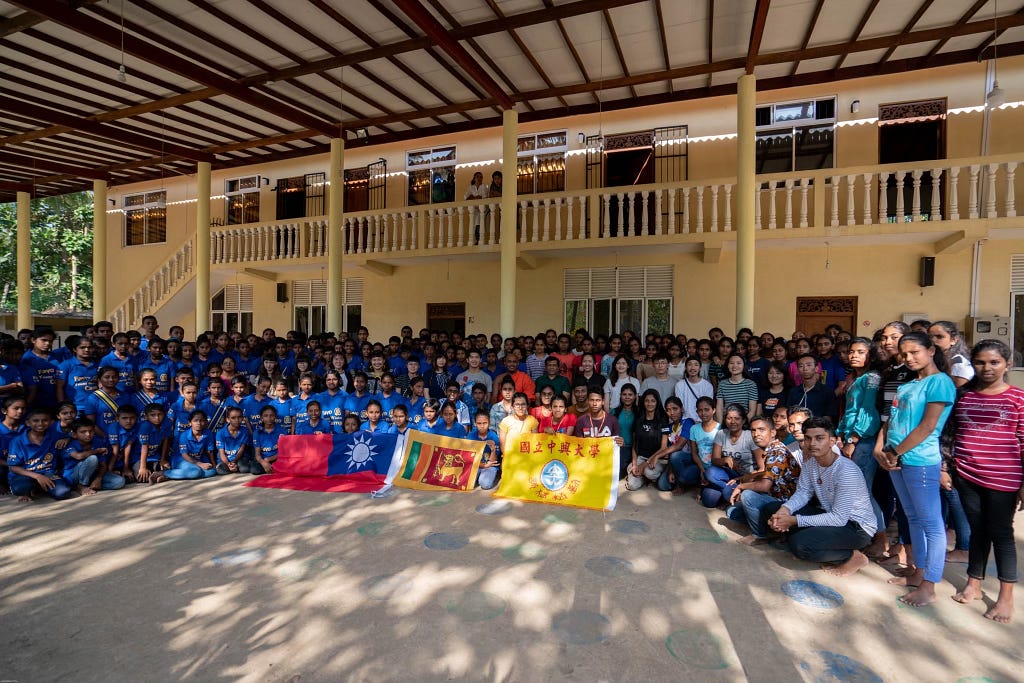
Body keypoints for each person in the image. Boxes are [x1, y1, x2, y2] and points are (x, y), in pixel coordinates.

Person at [876, 331, 956, 607]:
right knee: (912, 517)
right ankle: (917, 571)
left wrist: (895, 452)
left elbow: (927, 426)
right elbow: (895, 422)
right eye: (904, 354)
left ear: (931, 350)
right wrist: (886, 451)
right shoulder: (907, 385)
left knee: (932, 525)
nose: (909, 358)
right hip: (897, 460)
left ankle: (929, 585)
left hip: (920, 461)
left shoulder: (940, 383)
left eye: (915, 352)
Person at [950, 339, 1024, 623]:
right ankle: (974, 584)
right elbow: (952, 434)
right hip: (967, 474)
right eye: (980, 362)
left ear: (1008, 364)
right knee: (977, 530)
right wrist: (950, 468)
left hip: (1003, 479)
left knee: (1001, 534)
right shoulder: (964, 396)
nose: (987, 368)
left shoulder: (1017, 398)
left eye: (994, 362)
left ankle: (1006, 598)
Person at [767, 417, 878, 577]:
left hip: (856, 527)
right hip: (830, 515)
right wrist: (785, 510)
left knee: (800, 545)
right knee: (773, 508)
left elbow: (839, 519)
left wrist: (794, 520)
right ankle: (796, 532)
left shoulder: (846, 471)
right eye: (808, 438)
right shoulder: (812, 462)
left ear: (832, 441)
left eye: (819, 438)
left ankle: (854, 556)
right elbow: (803, 492)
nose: (812, 444)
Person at [836, 336, 887, 557]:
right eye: (851, 352)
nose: (854, 355)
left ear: (870, 355)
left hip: (863, 442)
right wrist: (840, 434)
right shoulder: (855, 378)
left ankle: (881, 537)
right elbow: (849, 411)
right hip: (849, 438)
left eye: (860, 352)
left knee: (863, 491)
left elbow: (868, 412)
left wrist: (852, 439)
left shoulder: (872, 378)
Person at [728, 415, 801, 545]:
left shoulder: (777, 451)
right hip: (777, 497)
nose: (756, 434)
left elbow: (764, 486)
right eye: (753, 430)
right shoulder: (772, 449)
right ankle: (772, 528)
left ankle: (760, 535)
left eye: (761, 430)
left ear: (772, 433)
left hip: (788, 504)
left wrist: (741, 487)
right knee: (733, 512)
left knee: (748, 496)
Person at [702, 403, 763, 508]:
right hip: (727, 474)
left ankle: (731, 492)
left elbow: (762, 468)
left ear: (743, 420)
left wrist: (740, 478)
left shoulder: (749, 436)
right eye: (729, 418)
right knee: (710, 476)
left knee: (719, 494)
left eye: (737, 418)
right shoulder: (721, 434)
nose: (733, 422)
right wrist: (726, 460)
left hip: (746, 477)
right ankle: (731, 492)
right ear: (725, 420)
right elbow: (714, 460)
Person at [7, 407, 74, 502]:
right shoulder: (17, 441)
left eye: (45, 420)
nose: (40, 424)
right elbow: (13, 467)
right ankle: (31, 488)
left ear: (51, 422)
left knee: (63, 492)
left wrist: (67, 439)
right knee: (21, 488)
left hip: (48, 473)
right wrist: (38, 476)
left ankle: (39, 487)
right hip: (25, 474)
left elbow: (74, 435)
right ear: (28, 423)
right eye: (35, 420)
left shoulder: (54, 436)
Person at [61, 417, 125, 495]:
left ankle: (93, 485)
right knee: (92, 458)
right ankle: (81, 486)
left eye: (90, 431)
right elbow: (79, 456)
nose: (88, 434)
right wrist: (97, 451)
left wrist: (98, 479)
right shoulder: (70, 444)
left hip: (92, 474)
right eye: (83, 432)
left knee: (120, 481)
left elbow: (103, 464)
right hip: (73, 476)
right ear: (74, 434)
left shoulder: (97, 442)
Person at [625, 389, 668, 491]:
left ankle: (648, 476)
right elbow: (634, 444)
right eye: (647, 401)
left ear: (657, 403)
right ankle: (643, 477)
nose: (649, 404)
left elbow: (663, 447)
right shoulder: (638, 420)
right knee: (631, 485)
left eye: (653, 401)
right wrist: (635, 464)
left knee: (650, 473)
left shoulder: (663, 420)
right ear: (643, 402)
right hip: (641, 457)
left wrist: (644, 465)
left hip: (656, 458)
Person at [165, 410, 217, 480]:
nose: (198, 423)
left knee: (212, 471)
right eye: (195, 420)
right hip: (181, 460)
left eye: (201, 420)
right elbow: (184, 455)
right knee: (196, 472)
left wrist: (214, 465)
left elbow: (209, 452)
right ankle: (165, 473)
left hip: (198, 458)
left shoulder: (208, 434)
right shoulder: (184, 435)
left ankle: (173, 475)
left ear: (205, 422)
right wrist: (200, 464)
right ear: (190, 423)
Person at [787, 353, 836, 422]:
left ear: (816, 368)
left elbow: (828, 418)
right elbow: (789, 414)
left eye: (808, 365)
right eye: (801, 366)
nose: (805, 368)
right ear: (797, 370)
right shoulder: (793, 392)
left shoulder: (827, 392)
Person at [715, 353, 759, 421]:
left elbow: (752, 410)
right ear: (727, 365)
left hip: (744, 424)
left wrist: (743, 424)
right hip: (727, 422)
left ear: (744, 365)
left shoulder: (751, 384)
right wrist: (720, 426)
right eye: (731, 363)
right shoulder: (722, 384)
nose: (735, 365)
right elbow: (719, 407)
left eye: (739, 363)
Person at [215, 407, 255, 475]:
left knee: (244, 469)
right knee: (220, 470)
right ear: (228, 419)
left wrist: (234, 462)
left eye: (239, 417)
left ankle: (235, 467)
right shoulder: (220, 433)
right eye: (233, 418)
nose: (237, 420)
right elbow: (221, 453)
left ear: (242, 418)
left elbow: (241, 449)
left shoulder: (244, 431)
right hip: (225, 459)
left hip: (239, 458)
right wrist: (228, 464)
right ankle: (233, 468)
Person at [675, 356, 714, 423]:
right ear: (685, 367)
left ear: (700, 368)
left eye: (696, 365)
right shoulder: (679, 385)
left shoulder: (707, 386)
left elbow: (708, 406)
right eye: (690, 365)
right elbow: (680, 405)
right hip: (685, 421)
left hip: (703, 421)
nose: (693, 368)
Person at [470, 410, 501, 490]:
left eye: (485, 423)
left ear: (489, 422)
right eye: (479, 423)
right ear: (475, 423)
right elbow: (469, 457)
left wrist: (493, 450)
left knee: (485, 484)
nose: (482, 426)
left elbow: (493, 461)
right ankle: (478, 477)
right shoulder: (471, 436)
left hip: (490, 465)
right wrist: (483, 465)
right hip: (475, 464)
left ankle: (482, 477)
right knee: (467, 482)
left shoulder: (493, 436)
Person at [252, 405, 288, 474]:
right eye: (265, 416)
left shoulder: (282, 431)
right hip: (263, 459)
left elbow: (284, 452)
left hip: (277, 458)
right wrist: (263, 463)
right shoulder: (257, 432)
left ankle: (272, 468)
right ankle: (270, 468)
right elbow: (257, 454)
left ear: (275, 416)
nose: (269, 418)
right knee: (254, 470)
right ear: (261, 417)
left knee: (286, 466)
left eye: (271, 415)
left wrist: (269, 459)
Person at [464, 171, 489, 244]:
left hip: (482, 210)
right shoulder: (471, 188)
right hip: (474, 210)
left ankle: (478, 240)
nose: (479, 178)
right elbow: (466, 197)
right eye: (477, 177)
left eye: (481, 177)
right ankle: (475, 240)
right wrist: (476, 197)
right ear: (474, 178)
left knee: (479, 223)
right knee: (473, 225)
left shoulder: (484, 186)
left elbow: (483, 197)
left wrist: (473, 197)